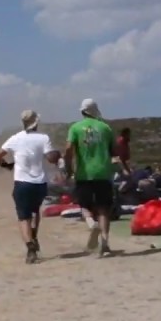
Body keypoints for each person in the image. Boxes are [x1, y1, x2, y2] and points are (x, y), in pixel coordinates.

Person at [0, 110, 60, 264]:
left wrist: (7, 165)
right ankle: (34, 237)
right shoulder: (44, 138)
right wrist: (56, 155)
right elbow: (50, 158)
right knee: (36, 211)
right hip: (40, 183)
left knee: (23, 217)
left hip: (22, 183)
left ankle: (30, 246)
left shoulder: (15, 138)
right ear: (37, 122)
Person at [65, 98, 117, 257]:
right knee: (103, 209)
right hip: (103, 173)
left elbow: (68, 150)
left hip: (84, 173)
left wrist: (69, 169)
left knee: (84, 205)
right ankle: (105, 243)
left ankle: (90, 223)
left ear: (82, 111)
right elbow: (114, 152)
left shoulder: (75, 128)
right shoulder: (106, 128)